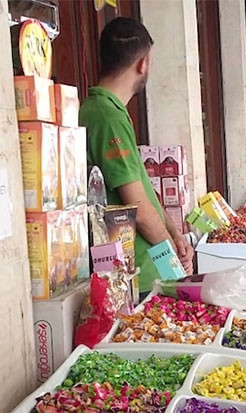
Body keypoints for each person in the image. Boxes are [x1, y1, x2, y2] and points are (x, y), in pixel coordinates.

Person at [79, 17, 194, 300]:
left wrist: (175, 234)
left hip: (142, 269)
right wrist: (172, 259)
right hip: (139, 275)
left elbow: (141, 189)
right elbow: (138, 209)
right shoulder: (107, 116)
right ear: (142, 64)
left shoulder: (109, 111)